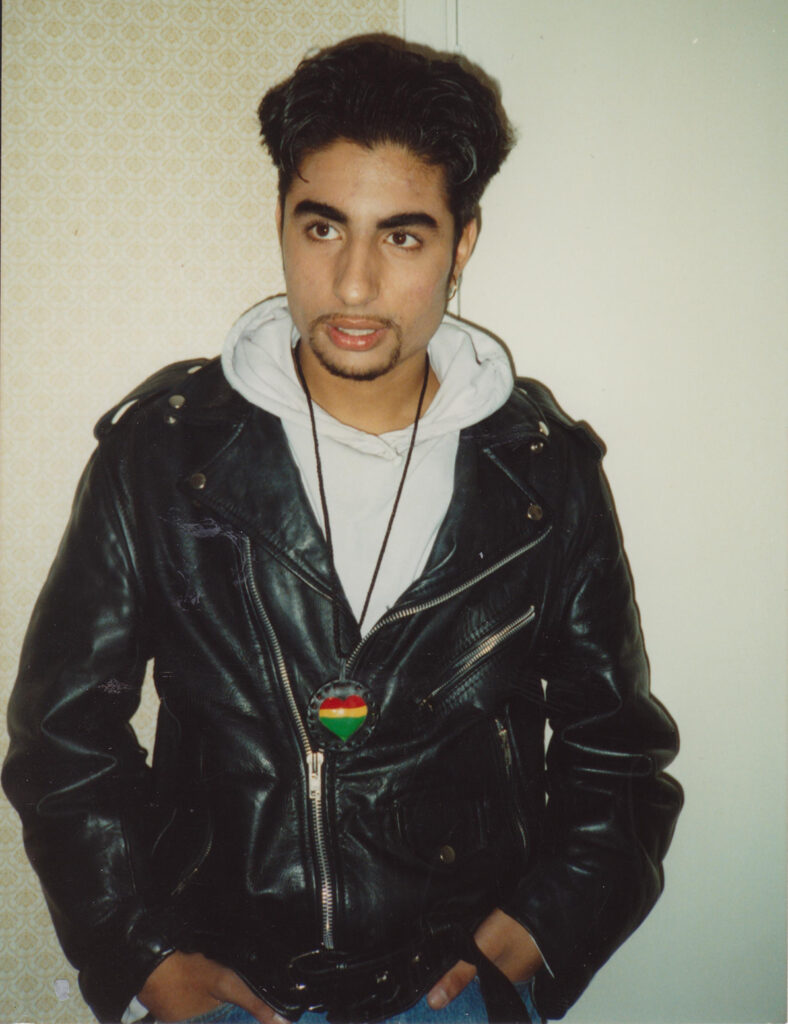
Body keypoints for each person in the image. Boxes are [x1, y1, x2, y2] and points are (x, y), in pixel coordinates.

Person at [2, 36, 682, 1024]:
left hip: (451, 987)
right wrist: (145, 956)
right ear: (280, 220)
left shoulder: (540, 477)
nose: (354, 285)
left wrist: (534, 932)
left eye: (402, 237)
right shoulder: (162, 457)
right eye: (322, 229)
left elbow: (615, 748)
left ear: (462, 242)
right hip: (221, 984)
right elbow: (62, 738)